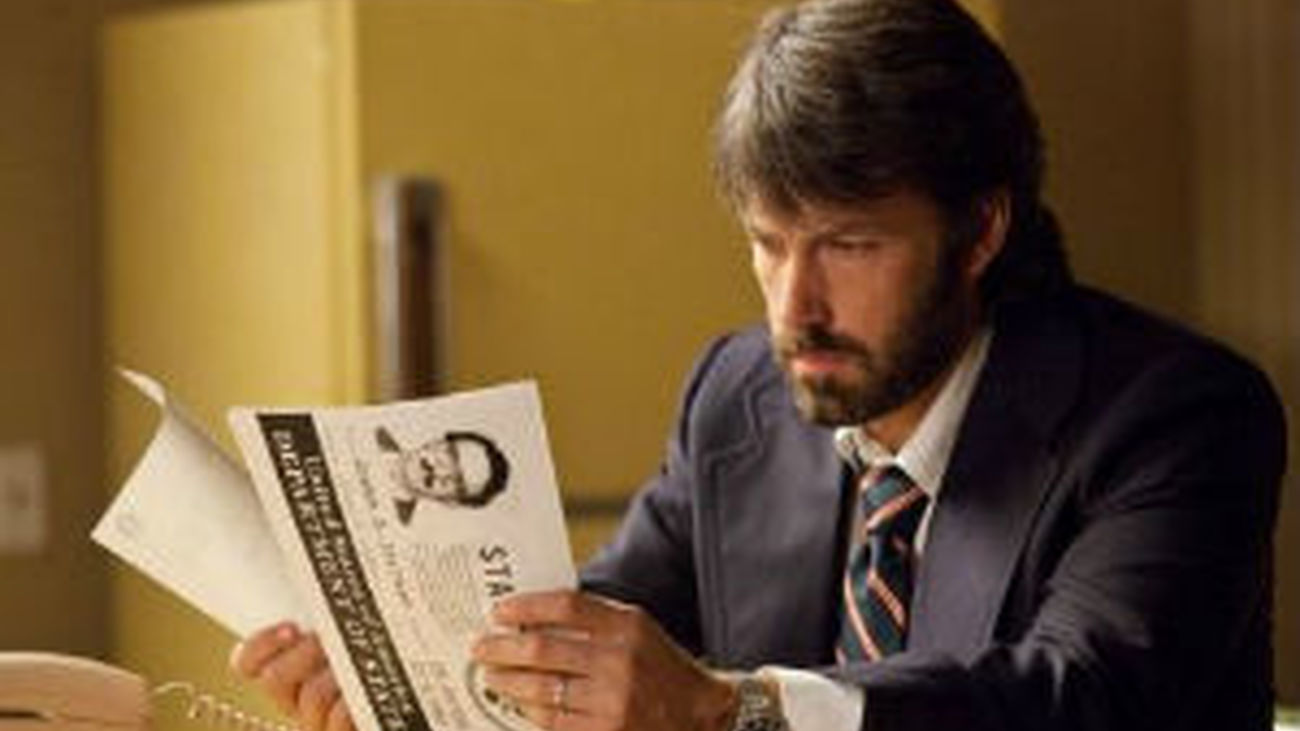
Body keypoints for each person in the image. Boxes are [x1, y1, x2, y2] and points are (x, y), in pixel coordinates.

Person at [231, 0, 1286, 729]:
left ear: (980, 232)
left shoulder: (1178, 414)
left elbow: (1078, 701)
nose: (794, 307)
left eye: (850, 245)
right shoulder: (737, 395)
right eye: (768, 243)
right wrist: (417, 683)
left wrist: (730, 709)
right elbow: (615, 627)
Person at [373, 426, 511, 523]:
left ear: (450, 502)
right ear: (436, 441)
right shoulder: (376, 431)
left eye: (458, 481)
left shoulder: (400, 526)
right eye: (451, 455)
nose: (441, 472)